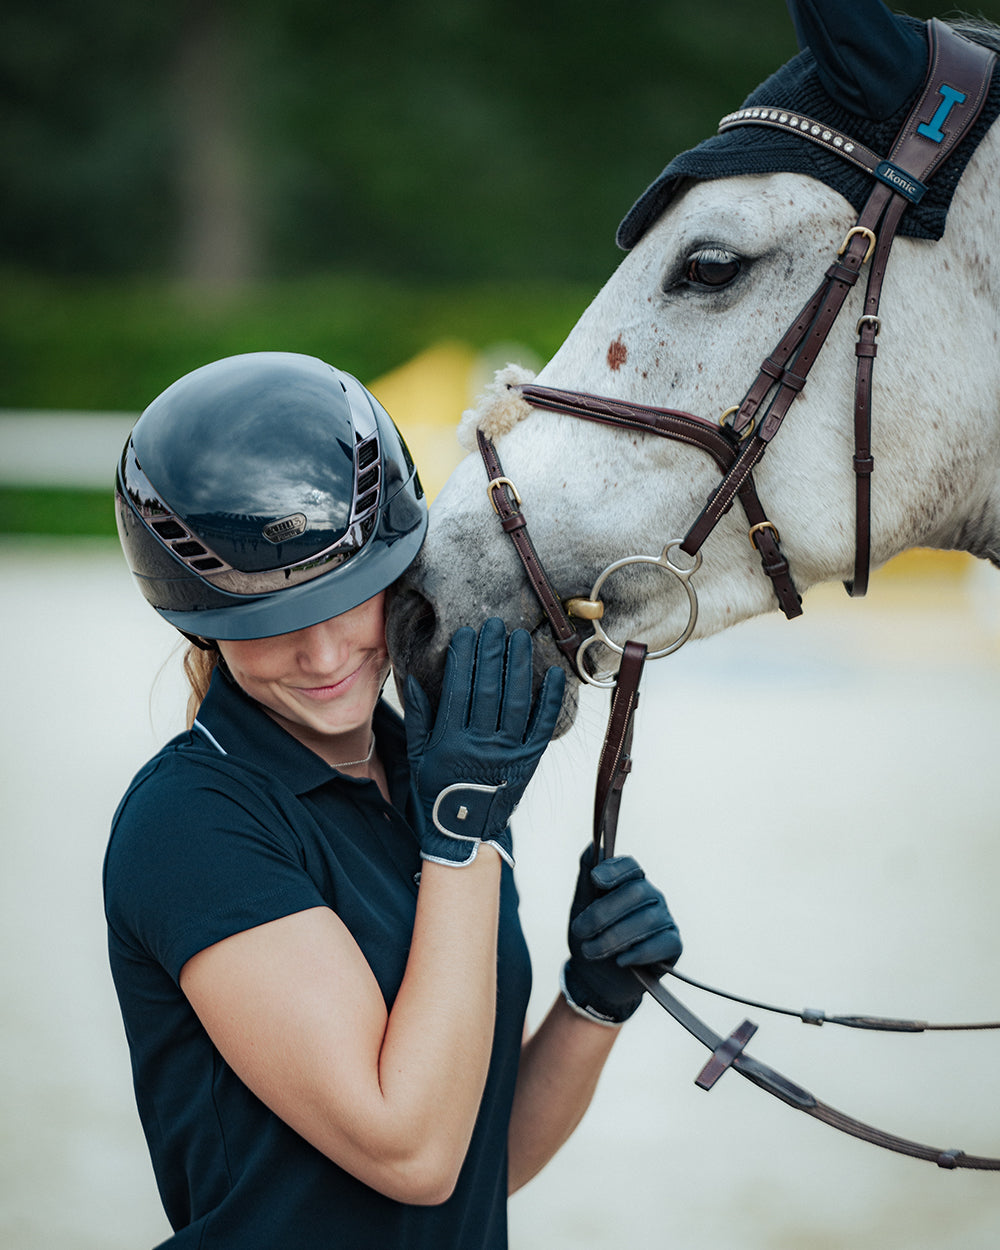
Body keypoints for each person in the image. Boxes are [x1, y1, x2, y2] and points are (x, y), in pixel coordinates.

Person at [104, 350, 682, 1249]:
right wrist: (462, 837)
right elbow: (411, 1154)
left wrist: (592, 1004)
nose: (327, 657)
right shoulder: (188, 824)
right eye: (268, 626)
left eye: (350, 601)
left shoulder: (439, 769)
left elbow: (478, 1161)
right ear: (197, 623)